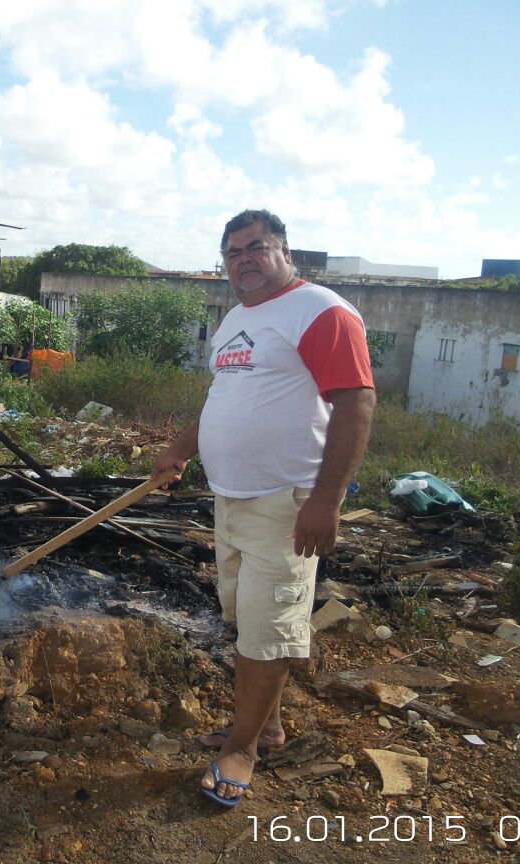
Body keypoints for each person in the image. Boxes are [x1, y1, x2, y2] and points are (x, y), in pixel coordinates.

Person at [151, 209, 375, 807]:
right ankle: (266, 726)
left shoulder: (319, 310)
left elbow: (355, 403)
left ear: (284, 251)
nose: (242, 259)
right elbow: (224, 397)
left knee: (267, 632)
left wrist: (327, 499)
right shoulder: (235, 321)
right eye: (231, 252)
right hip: (232, 499)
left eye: (255, 247)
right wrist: (179, 449)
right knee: (250, 622)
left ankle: (241, 751)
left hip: (288, 502)